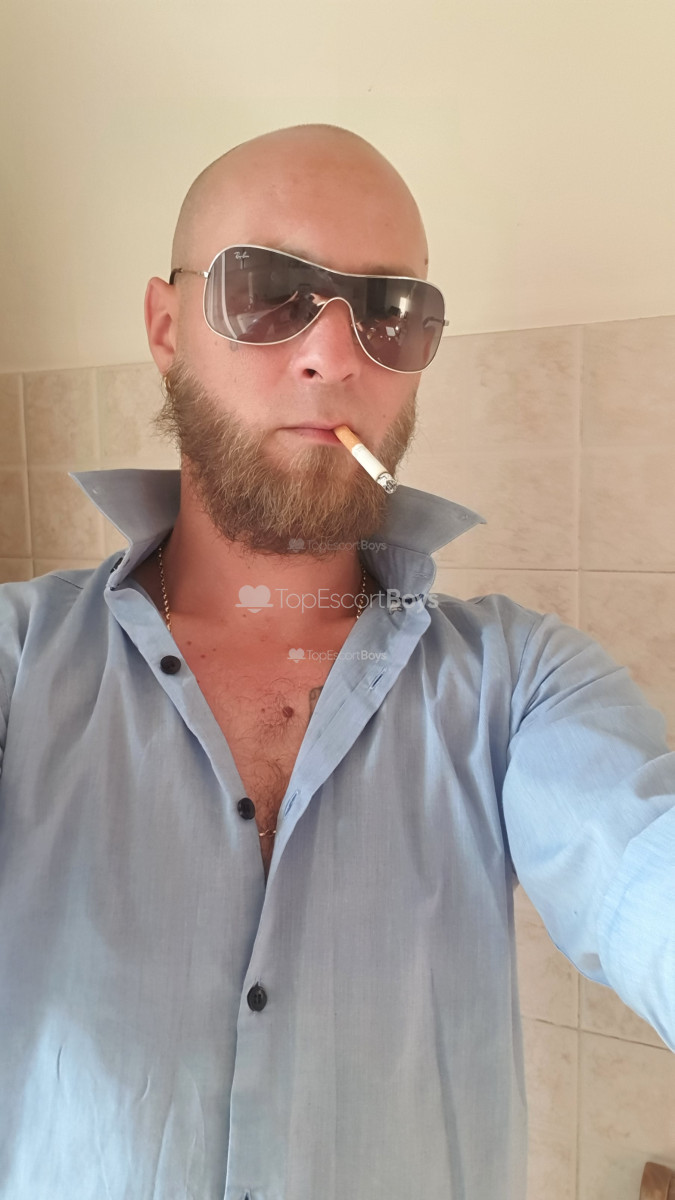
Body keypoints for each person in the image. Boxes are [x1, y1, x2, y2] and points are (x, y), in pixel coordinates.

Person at [0, 123, 672, 1200]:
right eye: (268, 291)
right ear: (167, 327)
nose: (333, 355)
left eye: (389, 311)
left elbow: (648, 870)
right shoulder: (18, 665)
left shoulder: (522, 685)